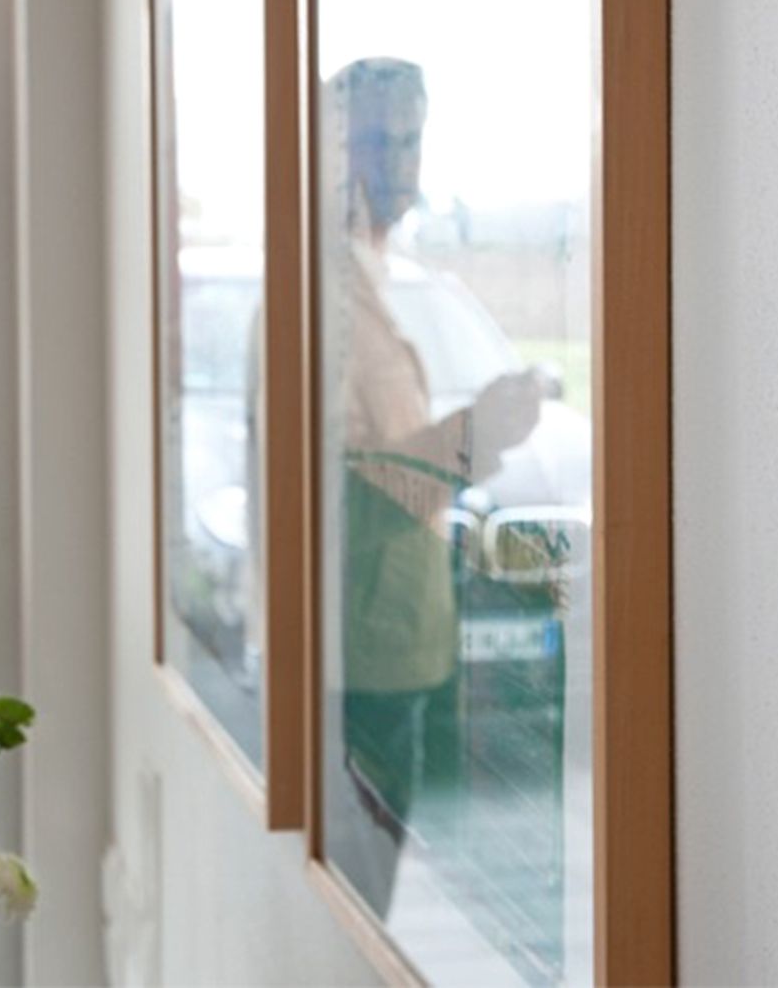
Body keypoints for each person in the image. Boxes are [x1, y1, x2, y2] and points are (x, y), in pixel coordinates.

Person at [324, 56, 545, 915]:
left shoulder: (371, 283)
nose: (400, 165)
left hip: (394, 655)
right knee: (357, 914)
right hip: (363, 668)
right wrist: (477, 434)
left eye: (411, 139)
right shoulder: (327, 300)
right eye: (377, 142)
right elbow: (345, 502)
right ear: (334, 151)